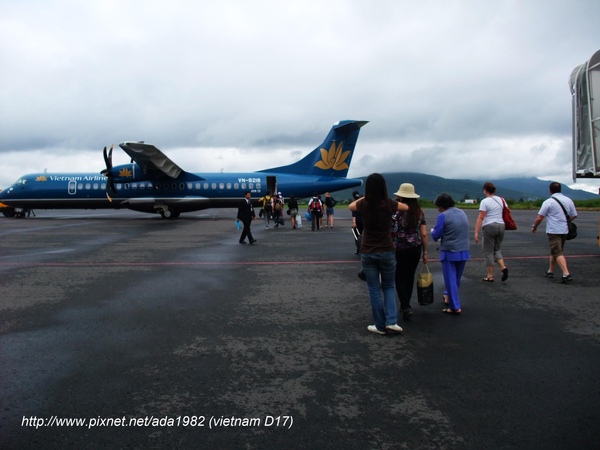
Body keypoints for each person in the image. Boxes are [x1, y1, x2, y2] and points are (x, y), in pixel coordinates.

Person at [349, 173, 408, 335]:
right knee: (388, 286)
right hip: (387, 250)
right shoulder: (389, 203)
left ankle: (380, 325)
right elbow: (406, 207)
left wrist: (365, 197)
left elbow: (351, 206)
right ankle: (391, 321)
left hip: (368, 250)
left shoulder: (364, 204)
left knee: (374, 289)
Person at [391, 183, 428, 321]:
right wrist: (425, 252)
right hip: (415, 247)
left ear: (401, 196)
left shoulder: (396, 211)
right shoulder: (419, 212)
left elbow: (392, 230)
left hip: (400, 247)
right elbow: (423, 234)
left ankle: (405, 305)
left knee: (399, 276)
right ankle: (406, 303)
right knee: (410, 276)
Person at [431, 193, 470, 314]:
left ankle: (454, 306)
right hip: (463, 249)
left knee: (450, 279)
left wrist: (433, 232)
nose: (438, 209)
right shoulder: (462, 213)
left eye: (438, 207)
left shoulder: (443, 216)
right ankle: (448, 295)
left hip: (449, 250)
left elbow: (436, 235)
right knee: (456, 278)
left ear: (442, 206)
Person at [531, 182, 577, 283]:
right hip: (565, 230)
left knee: (557, 251)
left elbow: (540, 217)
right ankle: (550, 270)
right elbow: (574, 215)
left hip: (554, 230)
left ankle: (566, 273)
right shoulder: (568, 200)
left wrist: (534, 226)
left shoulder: (548, 202)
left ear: (550, 191)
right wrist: (565, 220)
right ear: (560, 189)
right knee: (556, 250)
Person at [474, 182, 508, 282]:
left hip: (489, 226)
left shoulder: (485, 201)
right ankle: (503, 267)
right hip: (501, 225)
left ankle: (490, 275)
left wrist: (476, 232)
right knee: (497, 249)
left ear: (485, 190)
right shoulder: (502, 199)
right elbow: (507, 210)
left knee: (488, 250)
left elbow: (481, 217)